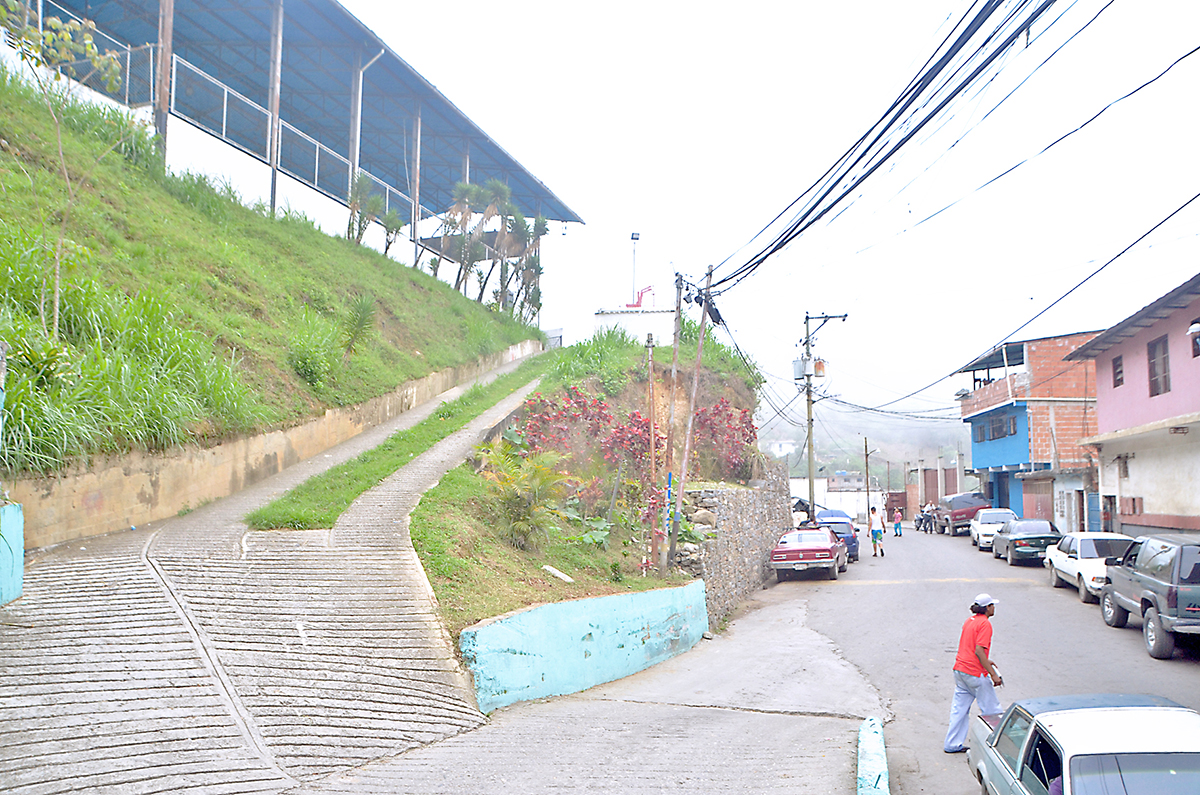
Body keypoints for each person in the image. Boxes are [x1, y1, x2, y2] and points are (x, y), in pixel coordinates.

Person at [944, 593, 1003, 754]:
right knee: (992, 711)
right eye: (992, 605)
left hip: (960, 670)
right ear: (987, 608)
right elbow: (978, 650)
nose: (994, 608)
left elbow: (970, 648)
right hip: (975, 673)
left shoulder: (969, 621)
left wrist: (987, 661)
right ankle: (995, 747)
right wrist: (993, 674)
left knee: (959, 711)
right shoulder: (985, 624)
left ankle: (952, 744)